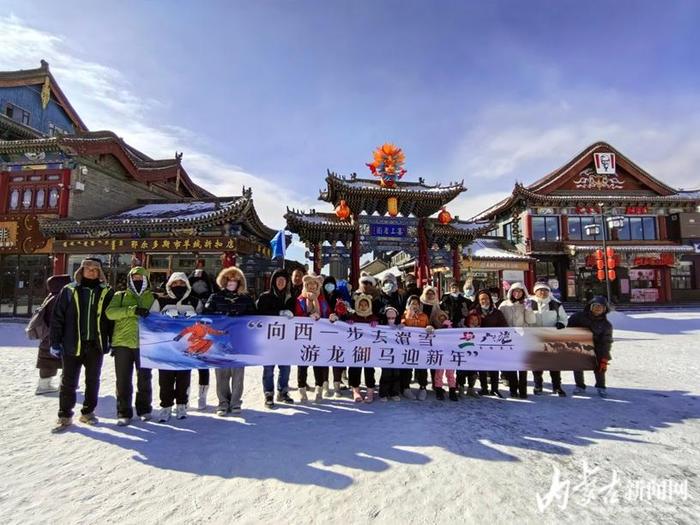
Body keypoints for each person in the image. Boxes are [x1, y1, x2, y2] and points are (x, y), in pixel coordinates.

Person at [50, 257, 114, 432]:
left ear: (100, 272)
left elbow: (111, 319)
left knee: (93, 380)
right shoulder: (69, 290)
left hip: (95, 344)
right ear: (81, 270)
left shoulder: (106, 291)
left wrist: (111, 340)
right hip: (72, 343)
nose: (92, 271)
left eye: (95, 269)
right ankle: (64, 415)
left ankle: (88, 412)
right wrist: (55, 342)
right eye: (88, 268)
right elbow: (57, 318)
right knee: (68, 382)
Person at [105, 266, 160, 425]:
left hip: (144, 344)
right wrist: (132, 310)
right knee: (122, 380)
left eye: (140, 278)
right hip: (122, 343)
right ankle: (123, 412)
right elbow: (110, 313)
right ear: (129, 279)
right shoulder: (119, 296)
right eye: (134, 278)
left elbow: (159, 318)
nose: (137, 280)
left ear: (146, 280)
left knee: (144, 379)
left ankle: (144, 409)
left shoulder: (153, 298)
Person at [205, 266, 256, 415]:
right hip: (219, 341)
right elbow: (206, 314)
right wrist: (221, 315)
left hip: (239, 341)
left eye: (235, 279)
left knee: (238, 373)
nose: (232, 282)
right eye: (228, 279)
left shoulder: (246, 299)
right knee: (222, 373)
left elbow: (254, 317)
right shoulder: (215, 297)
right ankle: (222, 402)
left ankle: (235, 402)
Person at [154, 272, 203, 422]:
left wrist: (194, 318)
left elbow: (203, 321)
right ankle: (166, 406)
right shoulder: (161, 301)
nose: (178, 286)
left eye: (182, 283)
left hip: (186, 347)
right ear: (169, 285)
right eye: (175, 283)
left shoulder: (195, 302)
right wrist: (164, 317)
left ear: (187, 285)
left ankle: (182, 404)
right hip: (165, 347)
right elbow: (151, 320)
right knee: (165, 379)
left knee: (183, 378)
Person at [256, 268, 295, 407]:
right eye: (278, 280)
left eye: (283, 280)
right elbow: (260, 313)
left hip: (286, 339)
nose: (280, 282)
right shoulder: (264, 296)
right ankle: (268, 393)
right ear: (273, 281)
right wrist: (279, 312)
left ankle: (283, 391)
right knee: (268, 368)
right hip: (269, 338)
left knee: (285, 367)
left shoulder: (291, 297)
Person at [295, 273, 333, 401]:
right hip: (303, 337)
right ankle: (302, 389)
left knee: (319, 363)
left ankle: (319, 388)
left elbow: (327, 313)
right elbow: (296, 316)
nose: (311, 286)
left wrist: (332, 316)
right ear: (305, 285)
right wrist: (307, 317)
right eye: (309, 284)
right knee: (302, 364)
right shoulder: (300, 300)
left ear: (318, 286)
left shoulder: (321, 300)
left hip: (318, 337)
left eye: (314, 284)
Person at [32, 274, 71, 395]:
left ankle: (44, 384)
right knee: (63, 359)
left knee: (48, 360)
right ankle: (56, 385)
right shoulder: (59, 298)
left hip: (47, 335)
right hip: (55, 335)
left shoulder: (50, 296)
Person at [568, 296, 613, 398]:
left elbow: (606, 341)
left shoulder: (606, 325)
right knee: (578, 366)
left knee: (600, 366)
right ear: (590, 306)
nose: (598, 308)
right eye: (595, 306)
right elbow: (569, 329)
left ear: (605, 309)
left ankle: (601, 386)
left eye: (601, 307)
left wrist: (605, 357)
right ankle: (580, 385)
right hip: (580, 345)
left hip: (597, 347)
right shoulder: (578, 317)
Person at [530, 282, 568, 397]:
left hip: (552, 337)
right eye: (540, 290)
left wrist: (561, 324)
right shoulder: (528, 302)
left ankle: (557, 386)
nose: (542, 292)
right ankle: (538, 385)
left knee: (554, 363)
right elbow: (525, 316)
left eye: (545, 290)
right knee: (537, 363)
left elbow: (564, 318)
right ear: (535, 291)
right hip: (535, 337)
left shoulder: (555, 303)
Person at [498, 282, 535, 399]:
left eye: (519, 291)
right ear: (511, 292)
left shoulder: (526, 304)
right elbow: (499, 319)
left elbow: (531, 321)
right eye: (515, 291)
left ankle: (523, 390)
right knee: (512, 365)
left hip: (522, 337)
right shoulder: (504, 304)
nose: (517, 293)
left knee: (523, 366)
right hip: (508, 338)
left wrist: (528, 309)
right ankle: (513, 389)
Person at [188, 259, 217, 406]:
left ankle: (202, 396)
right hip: (188, 335)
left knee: (203, 366)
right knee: (184, 367)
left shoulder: (211, 299)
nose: (199, 285)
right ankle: (183, 398)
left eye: (202, 283)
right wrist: (192, 276)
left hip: (204, 336)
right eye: (196, 283)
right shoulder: (187, 298)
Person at [470, 289, 508, 398]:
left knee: (494, 366)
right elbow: (469, 324)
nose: (484, 301)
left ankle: (495, 388)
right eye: (481, 299)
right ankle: (484, 388)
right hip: (479, 343)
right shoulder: (474, 312)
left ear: (490, 299)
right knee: (482, 367)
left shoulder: (497, 312)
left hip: (493, 343)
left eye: (486, 298)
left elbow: (504, 326)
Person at [347, 294, 379, 403]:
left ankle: (370, 391)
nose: (363, 307)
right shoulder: (353, 317)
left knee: (369, 369)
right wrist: (349, 324)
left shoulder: (373, 317)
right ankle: (355, 390)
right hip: (356, 349)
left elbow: (379, 330)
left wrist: (376, 324)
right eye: (360, 305)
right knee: (354, 369)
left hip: (369, 349)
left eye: (365, 304)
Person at [401, 295, 431, 400]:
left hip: (421, 346)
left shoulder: (424, 316)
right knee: (407, 368)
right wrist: (402, 324)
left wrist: (429, 327)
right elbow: (401, 325)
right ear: (408, 305)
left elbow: (429, 326)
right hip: (408, 346)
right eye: (412, 303)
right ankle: (406, 388)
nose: (415, 306)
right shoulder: (404, 315)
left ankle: (423, 388)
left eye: (416, 303)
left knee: (422, 367)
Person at [431, 308, 458, 401]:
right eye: (440, 318)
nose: (442, 319)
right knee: (439, 373)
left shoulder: (450, 326)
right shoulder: (434, 327)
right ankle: (438, 390)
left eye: (443, 317)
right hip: (439, 353)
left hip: (450, 353)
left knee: (450, 373)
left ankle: (452, 391)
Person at [378, 306, 402, 402]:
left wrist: (402, 326)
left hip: (396, 353)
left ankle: (394, 392)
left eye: (393, 318)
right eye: (389, 318)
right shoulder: (381, 327)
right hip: (385, 353)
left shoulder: (399, 326)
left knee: (396, 373)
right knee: (386, 373)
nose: (391, 320)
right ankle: (383, 393)